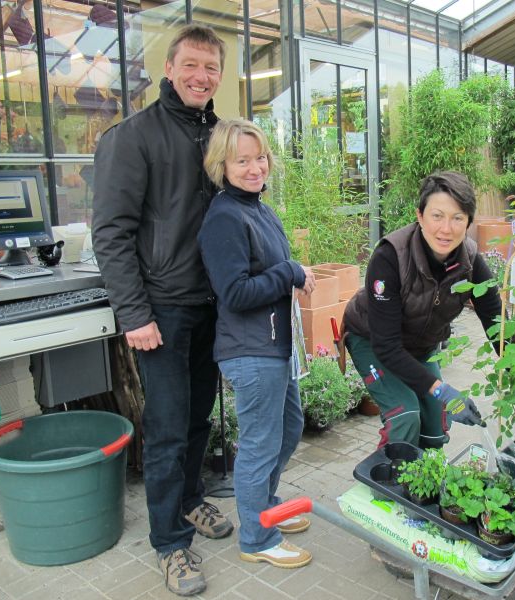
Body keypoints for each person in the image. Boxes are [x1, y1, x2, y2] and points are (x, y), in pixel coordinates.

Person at [92, 25, 231, 597]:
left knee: (199, 418)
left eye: (211, 67)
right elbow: (111, 233)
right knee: (169, 429)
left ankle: (192, 500)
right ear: (168, 70)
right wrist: (134, 314)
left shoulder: (220, 135)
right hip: (163, 310)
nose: (201, 76)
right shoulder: (133, 137)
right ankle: (170, 544)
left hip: (212, 305)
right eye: (190, 64)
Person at [198, 119, 316, 570]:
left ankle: (264, 507)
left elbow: (269, 268)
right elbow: (234, 293)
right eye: (242, 160)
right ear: (222, 166)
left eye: (260, 157)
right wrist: (289, 273)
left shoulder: (257, 208)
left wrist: (291, 270)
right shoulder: (225, 217)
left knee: (289, 426)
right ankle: (257, 537)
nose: (254, 168)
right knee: (260, 444)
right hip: (250, 351)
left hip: (274, 346)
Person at [343, 171, 501, 450]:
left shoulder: (470, 261)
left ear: (469, 222)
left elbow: (495, 319)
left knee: (435, 424)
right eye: (437, 216)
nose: (446, 229)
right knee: (405, 415)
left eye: (457, 218)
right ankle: (390, 474)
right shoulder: (390, 257)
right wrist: (441, 390)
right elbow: (387, 346)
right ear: (420, 215)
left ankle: (424, 473)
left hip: (420, 346)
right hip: (372, 341)